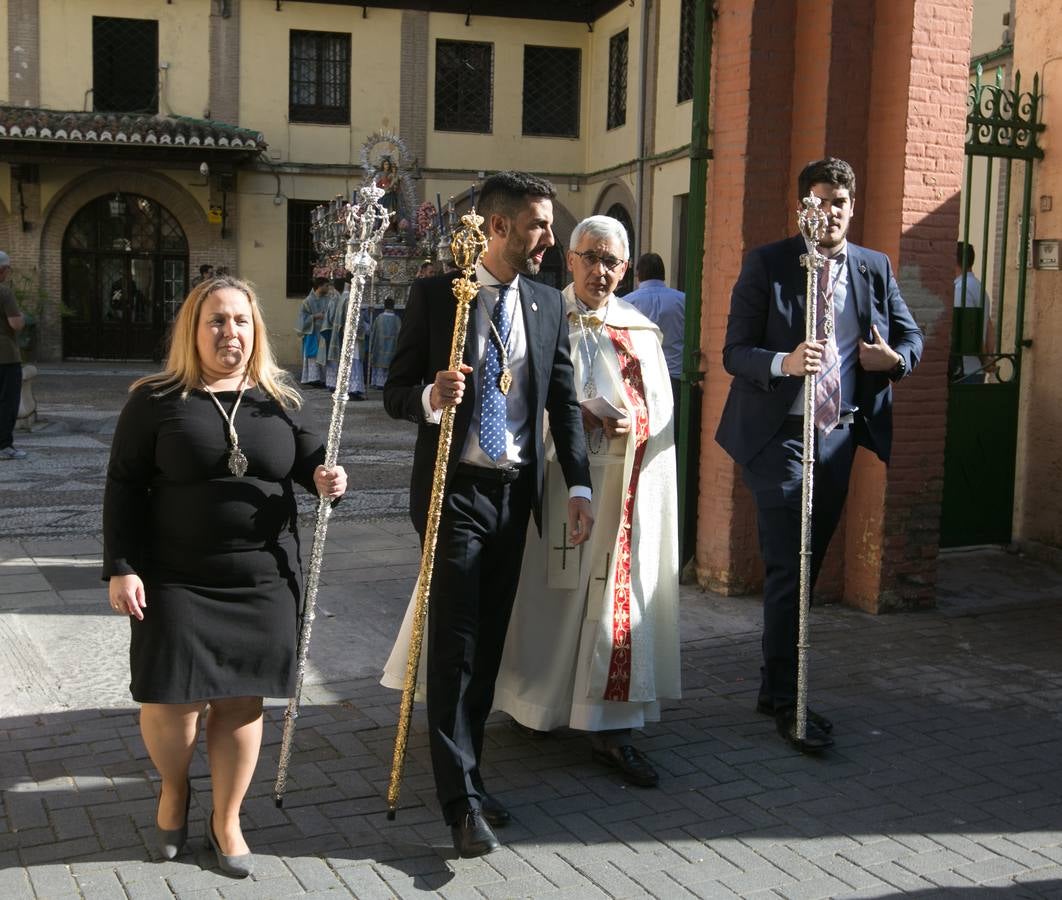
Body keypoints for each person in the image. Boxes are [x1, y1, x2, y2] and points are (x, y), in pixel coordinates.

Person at [103, 276, 347, 877]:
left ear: (255, 330)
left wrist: (328, 479)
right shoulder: (155, 399)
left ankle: (226, 817)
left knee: (242, 701)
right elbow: (124, 487)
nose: (229, 332)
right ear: (193, 329)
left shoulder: (279, 399)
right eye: (216, 320)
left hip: (263, 578)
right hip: (176, 577)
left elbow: (316, 458)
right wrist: (120, 568)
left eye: (240, 320)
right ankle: (174, 790)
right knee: (172, 700)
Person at [382, 171, 594, 858]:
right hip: (454, 493)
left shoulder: (546, 303)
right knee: (454, 647)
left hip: (513, 494)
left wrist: (581, 487)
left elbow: (561, 400)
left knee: (488, 648)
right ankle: (460, 802)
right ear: (497, 227)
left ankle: (468, 772)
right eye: (538, 224)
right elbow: (394, 392)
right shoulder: (437, 295)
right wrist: (432, 398)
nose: (549, 238)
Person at [715, 157, 924, 755]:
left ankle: (772, 683)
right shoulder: (770, 264)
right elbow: (734, 351)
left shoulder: (873, 268)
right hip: (778, 436)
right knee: (790, 562)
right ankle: (789, 701)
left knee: (807, 565)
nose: (828, 213)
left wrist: (894, 360)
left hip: (835, 437)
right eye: (817, 201)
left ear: (851, 207)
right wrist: (782, 362)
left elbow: (909, 337)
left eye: (838, 202)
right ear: (801, 207)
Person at [492, 216, 681, 788]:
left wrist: (633, 421)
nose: (601, 270)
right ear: (569, 260)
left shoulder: (641, 330)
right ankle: (538, 706)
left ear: (626, 269)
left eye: (612, 262)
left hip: (621, 494)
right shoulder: (541, 314)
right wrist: (577, 415)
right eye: (591, 257)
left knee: (611, 609)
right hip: (554, 487)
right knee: (549, 601)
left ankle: (609, 727)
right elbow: (513, 396)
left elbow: (662, 412)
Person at [623, 252, 686, 412]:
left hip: (641, 377)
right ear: (663, 274)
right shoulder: (683, 300)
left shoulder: (626, 303)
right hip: (676, 376)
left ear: (638, 275)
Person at [953, 242, 995, 383]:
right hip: (976, 369)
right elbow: (989, 326)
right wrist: (989, 356)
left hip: (964, 369)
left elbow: (970, 329)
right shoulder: (979, 287)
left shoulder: (961, 289)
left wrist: (984, 360)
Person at [0, 251, 27, 460]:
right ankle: (3, 446)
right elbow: (15, 324)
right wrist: (22, 318)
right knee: (7, 401)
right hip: (5, 355)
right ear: (3, 270)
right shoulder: (4, 292)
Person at [323, 274, 366, 400]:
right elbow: (354, 319)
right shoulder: (350, 298)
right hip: (351, 336)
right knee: (353, 362)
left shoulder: (343, 297)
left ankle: (350, 389)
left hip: (344, 335)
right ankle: (353, 390)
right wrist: (362, 328)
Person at [296, 276, 333, 386]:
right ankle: (313, 379)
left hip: (324, 332)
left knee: (323, 355)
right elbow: (302, 319)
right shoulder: (307, 301)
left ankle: (322, 379)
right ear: (320, 286)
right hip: (312, 332)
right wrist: (315, 316)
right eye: (327, 286)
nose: (328, 288)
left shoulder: (329, 299)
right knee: (313, 356)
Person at [368, 297, 401, 389]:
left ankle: (378, 383)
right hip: (392, 348)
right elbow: (400, 334)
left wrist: (372, 346)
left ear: (384, 306)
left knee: (379, 365)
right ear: (393, 306)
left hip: (380, 347)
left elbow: (373, 332)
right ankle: (387, 383)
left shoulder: (379, 318)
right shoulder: (397, 319)